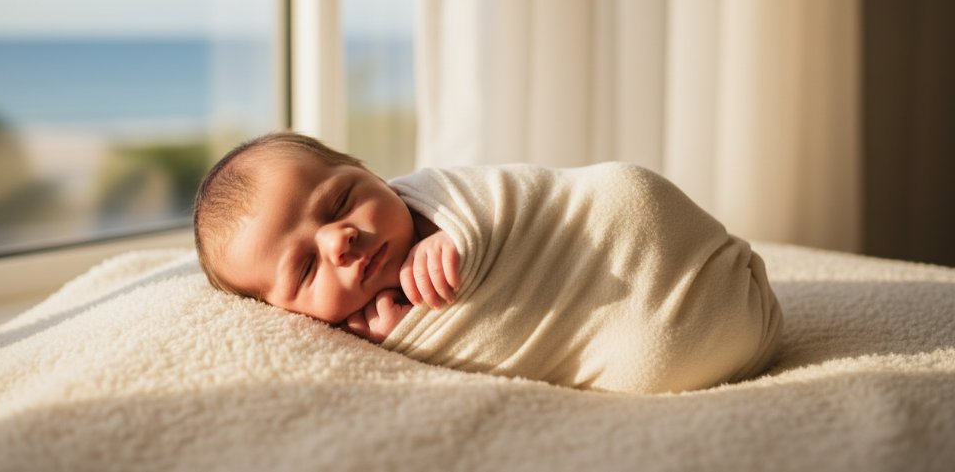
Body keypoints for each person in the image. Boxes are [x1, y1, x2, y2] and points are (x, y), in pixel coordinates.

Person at [194, 131, 783, 394]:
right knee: (652, 356)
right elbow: (497, 336)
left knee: (625, 189)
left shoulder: (439, 199)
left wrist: (454, 237)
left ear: (371, 173)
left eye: (341, 201)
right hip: (646, 335)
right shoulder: (366, 331)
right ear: (282, 310)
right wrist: (415, 337)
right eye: (304, 269)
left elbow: (524, 203)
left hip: (634, 232)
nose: (339, 241)